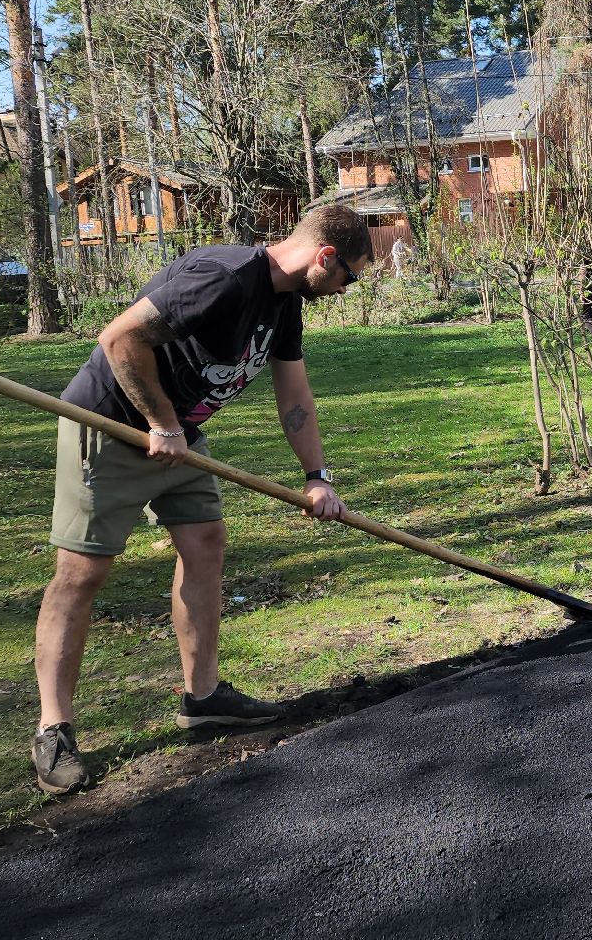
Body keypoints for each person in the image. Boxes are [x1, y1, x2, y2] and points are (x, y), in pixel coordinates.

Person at [30, 203, 373, 794]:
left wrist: (318, 474)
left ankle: (204, 696)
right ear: (324, 257)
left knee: (205, 541)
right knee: (82, 573)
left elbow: (294, 393)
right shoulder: (223, 278)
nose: (346, 289)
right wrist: (161, 422)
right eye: (350, 276)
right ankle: (53, 729)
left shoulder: (285, 301)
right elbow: (119, 338)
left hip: (178, 437)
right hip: (112, 427)